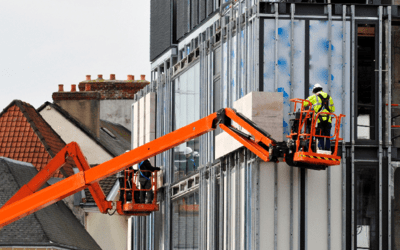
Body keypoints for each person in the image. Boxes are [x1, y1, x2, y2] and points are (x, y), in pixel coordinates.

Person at [303, 83, 335, 151]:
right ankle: (328, 150)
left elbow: (304, 103)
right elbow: (333, 109)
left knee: (319, 135)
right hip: (328, 119)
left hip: (318, 120)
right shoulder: (329, 97)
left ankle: (321, 149)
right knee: (327, 136)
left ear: (314, 90)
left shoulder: (314, 96)